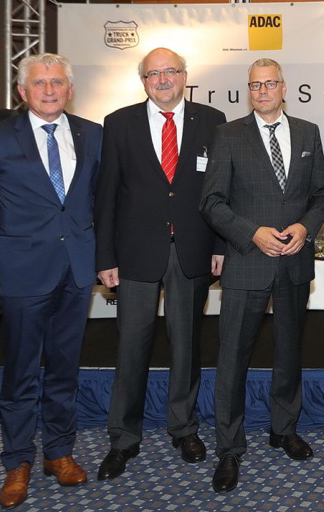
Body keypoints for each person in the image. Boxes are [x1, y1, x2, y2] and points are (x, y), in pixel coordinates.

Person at [0, 53, 102, 509]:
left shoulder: (92, 134)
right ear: (22, 91)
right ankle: (17, 461)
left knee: (64, 369)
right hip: (23, 274)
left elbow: (96, 200)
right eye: (39, 83)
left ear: (70, 89)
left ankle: (59, 453)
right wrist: (9, 251)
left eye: (57, 82)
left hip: (76, 271)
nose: (49, 90)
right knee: (21, 373)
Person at [94, 47, 227, 481]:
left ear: (185, 76)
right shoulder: (119, 123)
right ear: (144, 81)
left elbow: (221, 190)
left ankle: (184, 428)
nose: (163, 79)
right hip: (134, 253)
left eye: (170, 71)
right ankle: (123, 438)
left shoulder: (213, 121)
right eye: (154, 73)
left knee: (186, 345)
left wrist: (220, 245)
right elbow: (106, 195)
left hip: (193, 249)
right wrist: (105, 256)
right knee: (131, 347)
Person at [199, 58, 324, 493]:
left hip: (294, 261)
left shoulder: (309, 132)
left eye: (270, 83)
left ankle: (284, 429)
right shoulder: (228, 135)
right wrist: (251, 233)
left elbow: (321, 193)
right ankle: (229, 448)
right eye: (255, 85)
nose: (263, 91)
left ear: (284, 87)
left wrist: (305, 228)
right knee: (232, 359)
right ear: (249, 90)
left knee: (289, 352)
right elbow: (212, 201)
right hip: (247, 261)